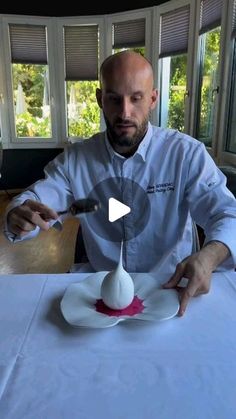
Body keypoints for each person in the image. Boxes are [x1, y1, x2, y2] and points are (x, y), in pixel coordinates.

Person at [4, 51, 236, 316]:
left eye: (136, 98)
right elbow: (35, 200)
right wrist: (19, 214)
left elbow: (228, 213)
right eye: (114, 99)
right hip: (98, 294)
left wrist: (209, 257)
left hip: (171, 289)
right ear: (100, 99)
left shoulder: (185, 154)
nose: (125, 112)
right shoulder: (76, 160)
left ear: (152, 99)